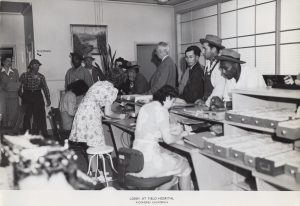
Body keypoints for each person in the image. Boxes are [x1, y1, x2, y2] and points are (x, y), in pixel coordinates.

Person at [132, 85, 193, 190]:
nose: (172, 105)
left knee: (173, 170)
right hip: (149, 163)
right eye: (173, 102)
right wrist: (181, 135)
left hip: (136, 160)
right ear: (168, 97)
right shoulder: (161, 110)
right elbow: (168, 140)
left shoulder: (145, 107)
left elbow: (152, 129)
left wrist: (170, 129)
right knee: (185, 165)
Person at [69, 81, 125, 172]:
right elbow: (108, 112)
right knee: (97, 144)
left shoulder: (99, 84)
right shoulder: (112, 90)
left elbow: (95, 103)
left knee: (91, 144)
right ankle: (98, 173)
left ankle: (95, 172)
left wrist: (103, 114)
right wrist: (120, 116)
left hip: (83, 111)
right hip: (91, 113)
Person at [19, 59, 51, 137]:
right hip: (27, 95)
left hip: (38, 95)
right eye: (36, 65)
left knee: (41, 115)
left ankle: (44, 133)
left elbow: (45, 88)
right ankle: (26, 133)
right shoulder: (24, 75)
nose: (38, 67)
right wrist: (22, 96)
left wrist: (48, 99)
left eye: (38, 65)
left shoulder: (41, 76)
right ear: (31, 66)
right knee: (27, 116)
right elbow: (18, 87)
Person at [196, 34, 226, 107]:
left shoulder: (220, 66)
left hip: (216, 106)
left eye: (205, 49)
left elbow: (218, 91)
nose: (202, 52)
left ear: (214, 49)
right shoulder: (208, 62)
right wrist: (203, 100)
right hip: (208, 104)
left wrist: (206, 103)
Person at [0, 55, 20, 127]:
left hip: (14, 98)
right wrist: (8, 86)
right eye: (8, 61)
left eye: (10, 61)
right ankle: (4, 133)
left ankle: (12, 133)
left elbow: (18, 85)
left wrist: (7, 86)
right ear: (3, 62)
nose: (10, 63)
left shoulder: (15, 71)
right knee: (4, 116)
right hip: (3, 98)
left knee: (14, 115)